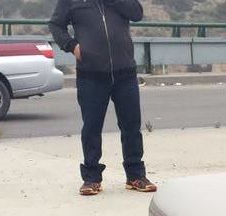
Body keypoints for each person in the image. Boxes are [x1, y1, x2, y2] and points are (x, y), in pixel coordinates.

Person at [50, 0, 157, 196]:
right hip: (91, 74)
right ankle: (91, 178)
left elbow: (137, 13)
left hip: (125, 72)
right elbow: (56, 25)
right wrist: (72, 45)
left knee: (131, 125)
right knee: (91, 126)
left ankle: (135, 176)